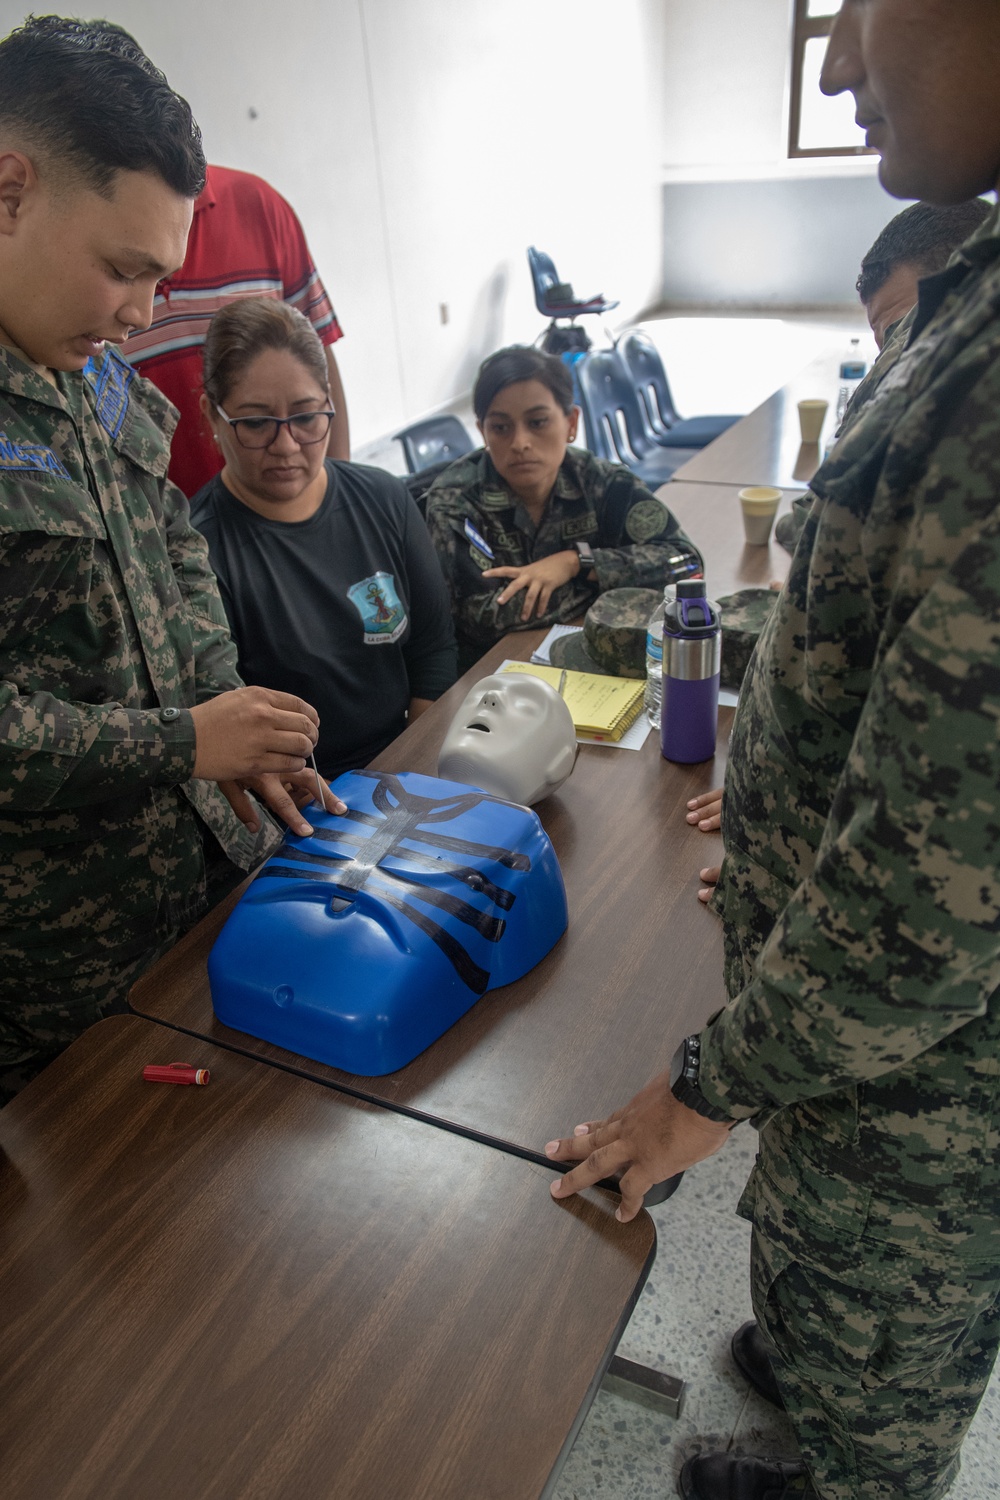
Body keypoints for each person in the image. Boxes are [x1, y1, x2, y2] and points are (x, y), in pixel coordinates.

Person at [547, 3, 1000, 1498]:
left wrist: (700, 1091)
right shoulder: (977, 287)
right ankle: (814, 1380)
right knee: (826, 1267)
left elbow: (940, 890)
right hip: (859, 1043)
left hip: (929, 1079)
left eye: (861, 5)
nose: (834, 60)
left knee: (896, 1336)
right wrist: (794, 843)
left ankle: (852, 1462)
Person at [0, 17, 342, 1105]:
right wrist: (183, 739)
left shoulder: (94, 373)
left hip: (202, 898)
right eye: (123, 270)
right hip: (53, 973)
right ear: (9, 190)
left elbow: (174, 556)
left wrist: (228, 720)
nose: (146, 315)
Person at [190, 298, 456, 779]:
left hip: (409, 762)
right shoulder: (197, 551)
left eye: (307, 417)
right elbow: (224, 730)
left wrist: (412, 779)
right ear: (212, 416)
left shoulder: (384, 499)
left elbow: (432, 654)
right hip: (298, 798)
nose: (287, 445)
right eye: (255, 423)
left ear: (329, 403)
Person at [424, 346, 702, 672]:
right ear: (482, 432)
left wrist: (576, 563)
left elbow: (684, 563)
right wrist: (605, 583)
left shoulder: (600, 481)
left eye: (537, 422)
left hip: (584, 656)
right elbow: (483, 619)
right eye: (501, 427)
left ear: (571, 422)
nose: (520, 442)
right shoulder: (455, 502)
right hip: (493, 677)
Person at [126, 161, 349, 497]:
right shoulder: (84, 234)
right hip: (156, 525)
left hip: (287, 504)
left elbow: (317, 363)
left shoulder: (259, 206)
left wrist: (339, 491)